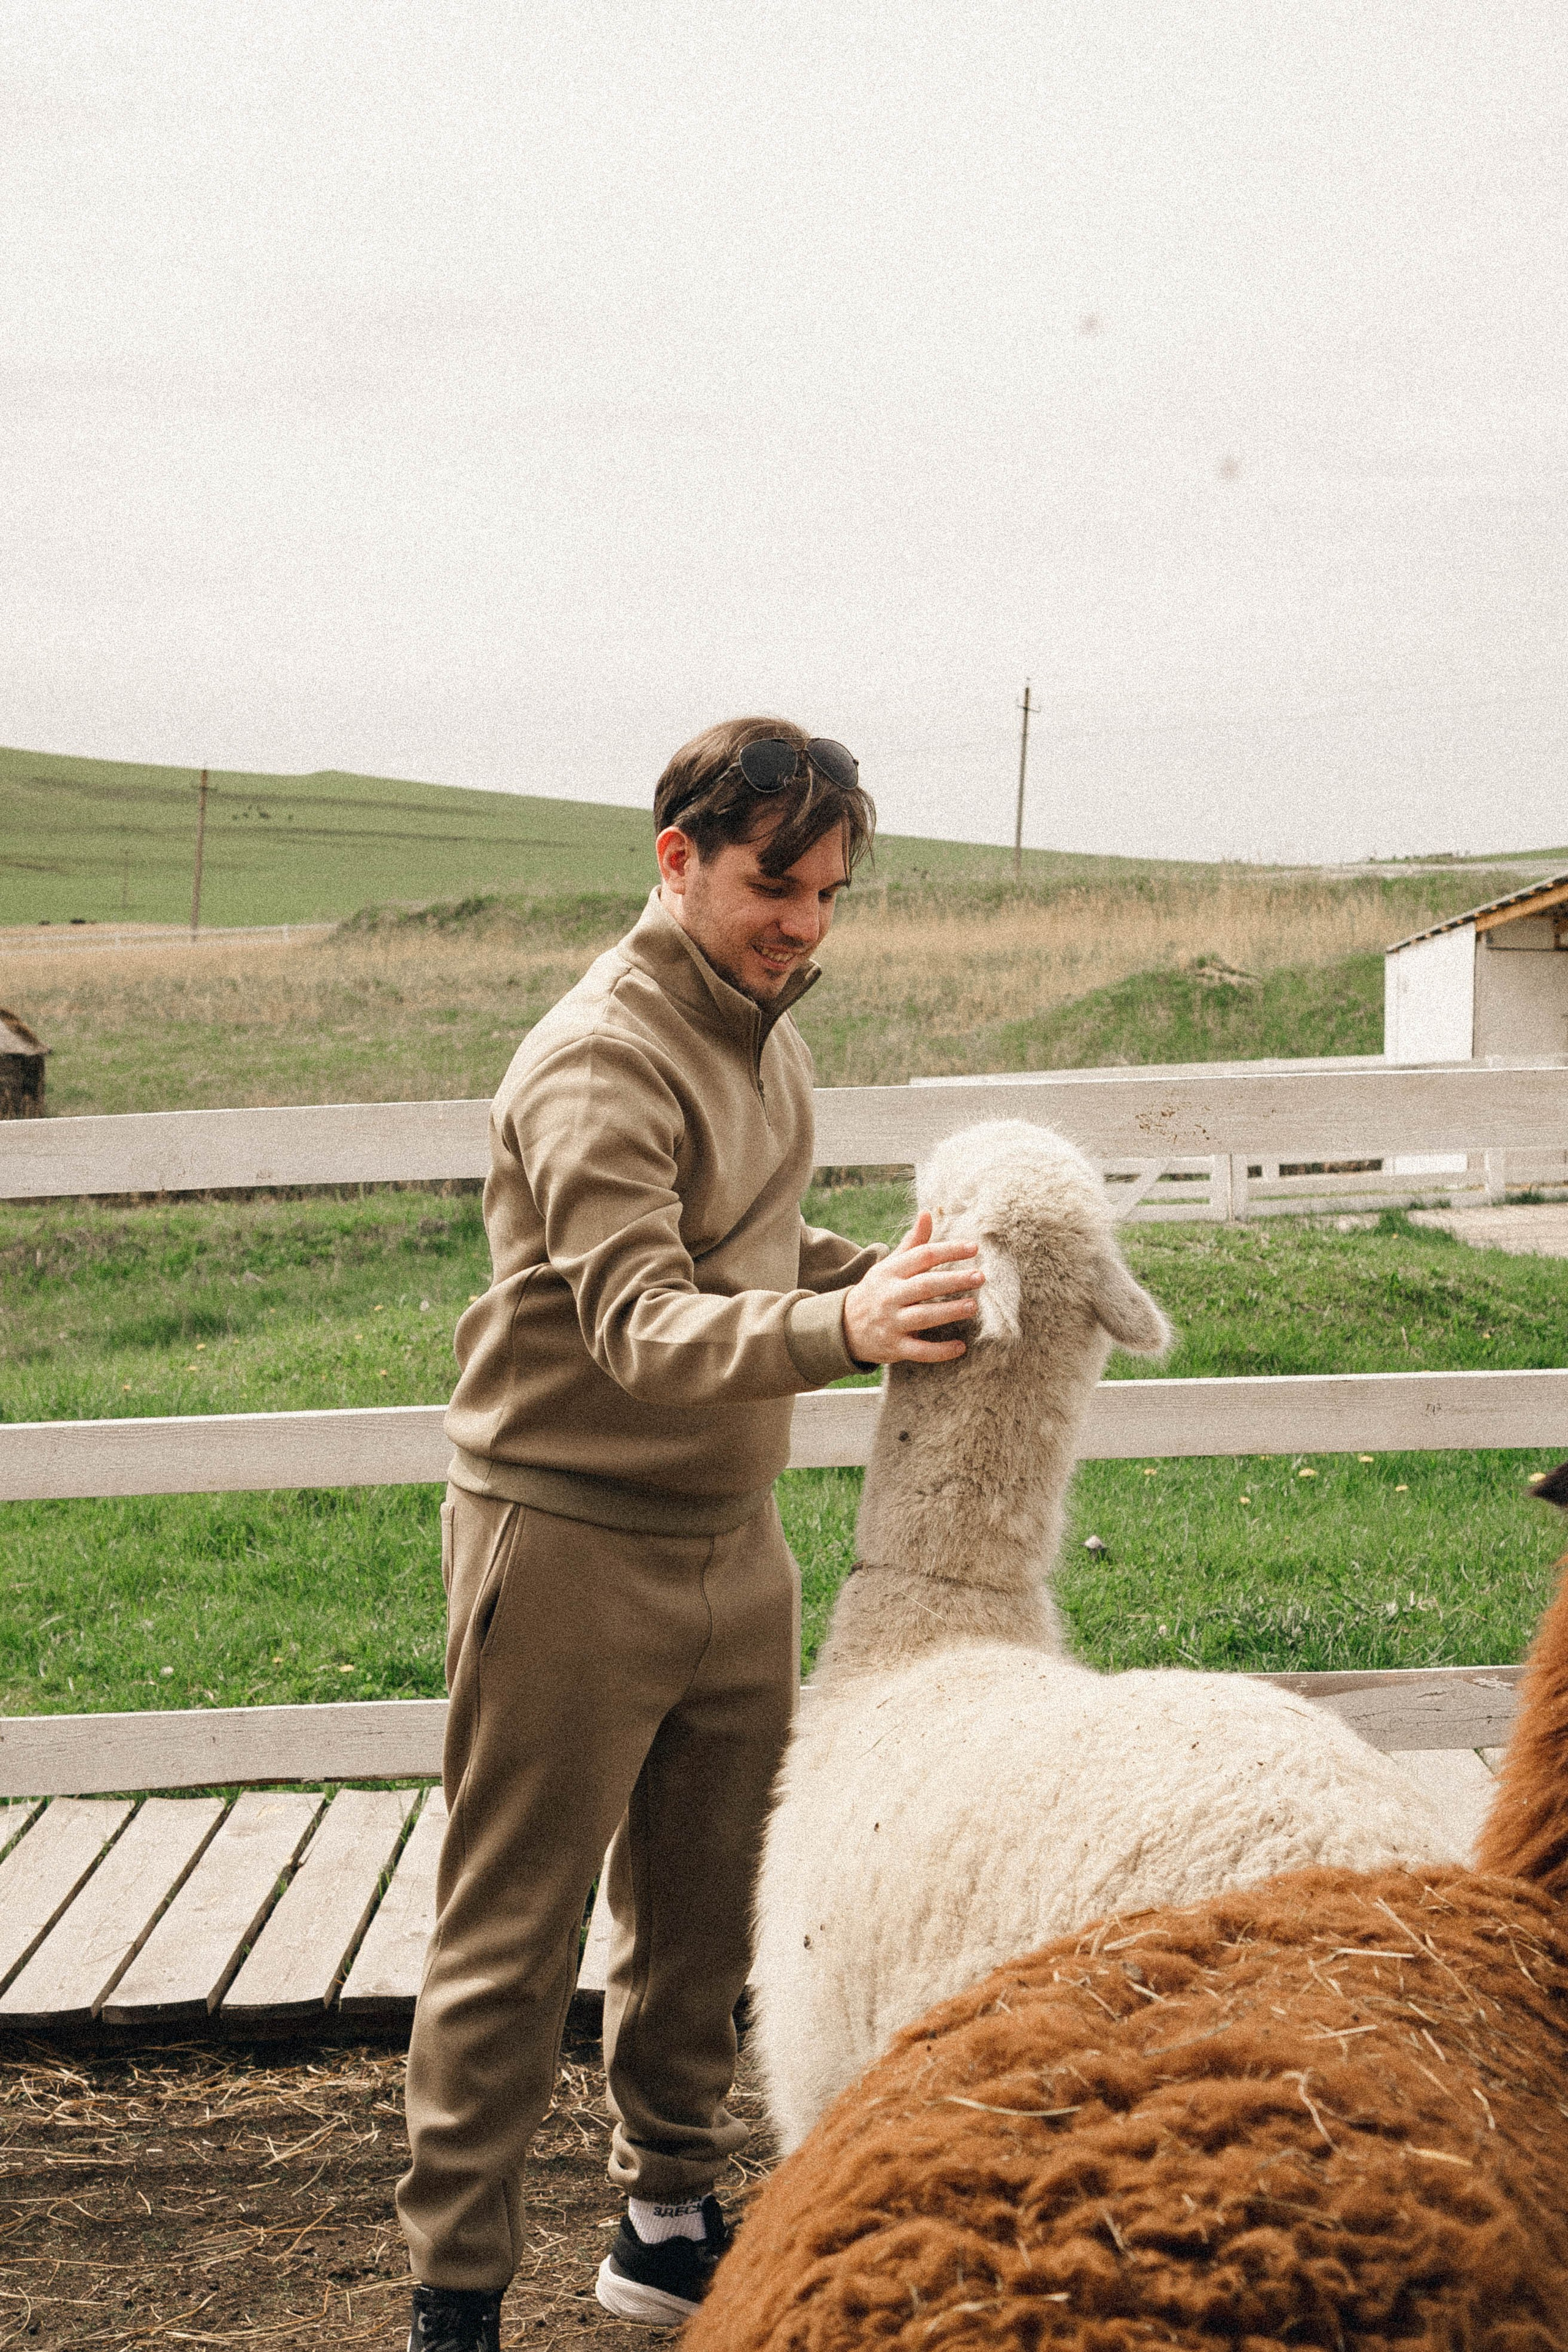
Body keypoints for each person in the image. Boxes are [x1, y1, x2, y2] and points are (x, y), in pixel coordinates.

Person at [397, 717, 984, 2350]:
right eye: (775, 884)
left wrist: (892, 1270)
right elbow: (642, 1323)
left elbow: (750, 1248)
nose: (805, 922)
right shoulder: (601, 1058)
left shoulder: (761, 1031)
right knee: (513, 1939)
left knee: (710, 1916)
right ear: (679, 858)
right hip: (569, 1542)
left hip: (735, 1536)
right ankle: (456, 2296)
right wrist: (850, 1325)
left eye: (830, 892)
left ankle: (666, 2220)